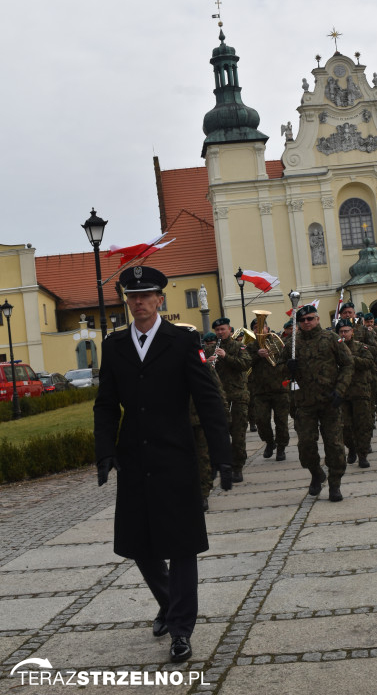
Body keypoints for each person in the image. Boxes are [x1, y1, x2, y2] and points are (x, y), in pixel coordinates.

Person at [94, 266, 232, 664]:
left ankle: (181, 630)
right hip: (134, 459)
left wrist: (223, 456)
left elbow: (208, 401)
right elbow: (105, 404)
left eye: (147, 295)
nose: (139, 302)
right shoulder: (115, 345)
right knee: (139, 544)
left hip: (176, 457)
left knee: (182, 545)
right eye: (132, 296)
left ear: (159, 300)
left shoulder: (183, 341)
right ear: (127, 301)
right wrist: (105, 451)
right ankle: (170, 601)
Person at [280, 305, 354, 502]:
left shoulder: (331, 339)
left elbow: (348, 364)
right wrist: (288, 368)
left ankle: (334, 484)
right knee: (305, 444)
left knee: (335, 445)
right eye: (302, 320)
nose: (306, 323)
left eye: (310, 319)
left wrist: (341, 389)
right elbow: (279, 371)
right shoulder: (291, 344)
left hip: (330, 401)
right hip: (304, 403)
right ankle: (315, 472)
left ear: (317, 319)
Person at [206, 317, 252, 483]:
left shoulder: (238, 346)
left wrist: (226, 357)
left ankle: (238, 467)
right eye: (217, 330)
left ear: (229, 330)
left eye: (222, 329)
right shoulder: (209, 349)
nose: (220, 332)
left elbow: (246, 363)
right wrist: (207, 363)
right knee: (221, 435)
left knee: (238, 434)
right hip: (219, 398)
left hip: (238, 396)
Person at [247, 316, 289, 461]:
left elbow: (286, 359)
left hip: (280, 388)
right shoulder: (250, 347)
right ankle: (270, 442)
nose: (258, 330)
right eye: (255, 328)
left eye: (261, 327)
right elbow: (245, 364)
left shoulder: (277, 341)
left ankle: (281, 447)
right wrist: (257, 355)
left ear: (267, 329)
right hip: (260, 390)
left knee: (281, 421)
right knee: (261, 421)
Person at [337, 320, 375, 468]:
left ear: (352, 332)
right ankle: (351, 448)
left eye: (347, 331)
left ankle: (363, 455)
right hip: (343, 393)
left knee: (363, 425)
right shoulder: (335, 349)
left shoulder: (360, 347)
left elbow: (369, 362)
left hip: (360, 392)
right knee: (345, 427)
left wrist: (351, 359)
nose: (344, 334)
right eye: (341, 331)